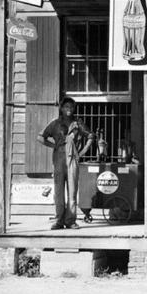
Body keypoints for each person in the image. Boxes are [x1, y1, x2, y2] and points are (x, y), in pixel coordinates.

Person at [37, 96, 93, 230]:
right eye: (66, 107)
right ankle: (59, 221)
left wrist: (82, 152)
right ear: (61, 108)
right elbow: (40, 137)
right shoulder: (55, 123)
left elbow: (90, 136)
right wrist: (54, 146)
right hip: (58, 159)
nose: (69, 109)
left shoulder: (78, 123)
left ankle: (71, 221)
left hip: (73, 159)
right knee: (58, 192)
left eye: (71, 107)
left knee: (72, 192)